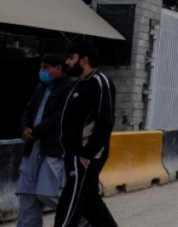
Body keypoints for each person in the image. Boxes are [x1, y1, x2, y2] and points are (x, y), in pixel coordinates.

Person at [54, 43, 118, 227]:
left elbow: (105, 121)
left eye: (71, 57)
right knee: (90, 203)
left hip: (84, 155)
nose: (67, 62)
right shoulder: (78, 85)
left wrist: (87, 153)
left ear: (84, 60)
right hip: (73, 153)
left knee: (70, 202)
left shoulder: (100, 82)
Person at [16, 54, 79, 227]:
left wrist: (36, 131)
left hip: (51, 150)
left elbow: (60, 116)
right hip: (32, 150)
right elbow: (27, 110)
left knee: (48, 193)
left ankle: (83, 217)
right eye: (40, 68)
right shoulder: (40, 88)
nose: (41, 71)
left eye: (45, 68)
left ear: (58, 68)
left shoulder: (70, 87)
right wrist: (24, 130)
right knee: (27, 197)